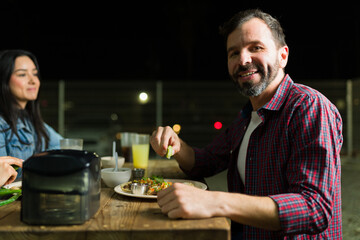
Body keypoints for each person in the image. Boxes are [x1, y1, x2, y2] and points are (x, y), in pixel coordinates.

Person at [150, 9, 343, 239]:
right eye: (234, 53)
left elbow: (314, 209)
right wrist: (177, 145)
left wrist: (216, 201)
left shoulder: (309, 107)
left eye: (256, 48)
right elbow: (205, 162)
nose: (243, 60)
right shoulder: (246, 117)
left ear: (283, 56)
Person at [0, 49, 62, 179]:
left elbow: (63, 148)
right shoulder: (2, 122)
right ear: (4, 79)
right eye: (22, 74)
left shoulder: (30, 120)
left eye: (35, 74)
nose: (33, 80)